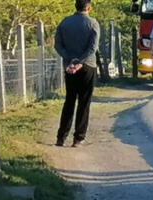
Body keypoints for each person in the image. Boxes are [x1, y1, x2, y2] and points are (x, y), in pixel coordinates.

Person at [54, 0, 100, 147]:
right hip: (87, 66)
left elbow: (58, 45)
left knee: (69, 100)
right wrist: (80, 61)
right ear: (89, 7)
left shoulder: (64, 23)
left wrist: (70, 59)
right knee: (84, 102)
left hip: (69, 66)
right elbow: (93, 48)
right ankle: (78, 138)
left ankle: (61, 137)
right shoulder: (93, 23)